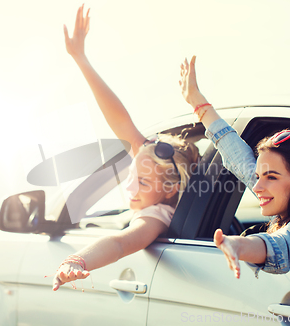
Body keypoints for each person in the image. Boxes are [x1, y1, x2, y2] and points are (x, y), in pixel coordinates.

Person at [52, 5, 199, 291]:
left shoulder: (156, 216)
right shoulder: (156, 179)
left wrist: (78, 261)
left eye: (142, 182)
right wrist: (81, 58)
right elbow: (118, 119)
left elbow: (121, 243)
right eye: (132, 177)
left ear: (170, 189)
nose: (130, 188)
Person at [179, 55, 290, 279]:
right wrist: (197, 101)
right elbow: (237, 157)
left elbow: (280, 243)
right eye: (258, 175)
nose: (257, 186)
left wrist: (237, 245)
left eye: (271, 177)